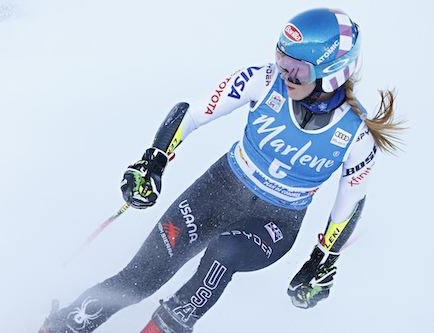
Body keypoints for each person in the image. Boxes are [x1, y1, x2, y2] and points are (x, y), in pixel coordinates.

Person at [38, 7, 405, 333]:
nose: (285, 73)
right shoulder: (261, 80)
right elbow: (194, 113)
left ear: (333, 73)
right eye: (281, 57)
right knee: (138, 279)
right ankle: (62, 327)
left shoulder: (356, 134)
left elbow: (350, 201)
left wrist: (322, 262)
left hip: (275, 223)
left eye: (297, 69)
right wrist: (152, 161)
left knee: (224, 253)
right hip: (217, 191)